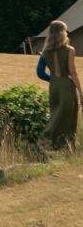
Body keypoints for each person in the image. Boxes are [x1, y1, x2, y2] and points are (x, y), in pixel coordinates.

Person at [39, 19, 83, 150]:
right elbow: (73, 72)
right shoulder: (70, 50)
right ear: (62, 33)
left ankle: (52, 146)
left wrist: (52, 80)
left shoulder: (45, 52)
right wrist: (81, 91)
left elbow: (40, 72)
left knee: (55, 115)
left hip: (54, 86)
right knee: (68, 117)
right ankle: (57, 143)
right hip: (66, 86)